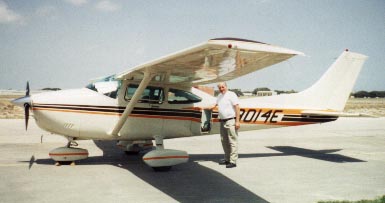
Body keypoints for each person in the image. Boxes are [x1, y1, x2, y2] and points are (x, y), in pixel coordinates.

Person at [213, 82, 240, 168]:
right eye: (219, 87)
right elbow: (215, 105)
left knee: (232, 141)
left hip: (230, 121)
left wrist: (237, 121)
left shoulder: (231, 94)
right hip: (222, 121)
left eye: (223, 87)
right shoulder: (219, 96)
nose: (221, 89)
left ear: (226, 86)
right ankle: (227, 159)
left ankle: (233, 161)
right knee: (224, 141)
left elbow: (237, 107)